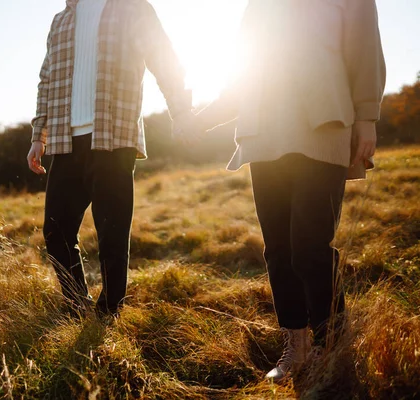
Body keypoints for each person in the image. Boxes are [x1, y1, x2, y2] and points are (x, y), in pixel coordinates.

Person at [196, 0, 386, 381]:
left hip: (322, 125)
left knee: (310, 246)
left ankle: (330, 343)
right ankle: (295, 348)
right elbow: (246, 65)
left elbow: (365, 47)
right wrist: (205, 116)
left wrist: (366, 116)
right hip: (263, 133)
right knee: (279, 249)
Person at [27, 0, 196, 318]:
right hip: (65, 142)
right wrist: (39, 136)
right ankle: (77, 306)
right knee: (55, 230)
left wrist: (182, 111)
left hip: (114, 137)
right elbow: (46, 81)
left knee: (112, 233)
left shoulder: (133, 8)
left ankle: (110, 311)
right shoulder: (61, 20)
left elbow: (164, 59)